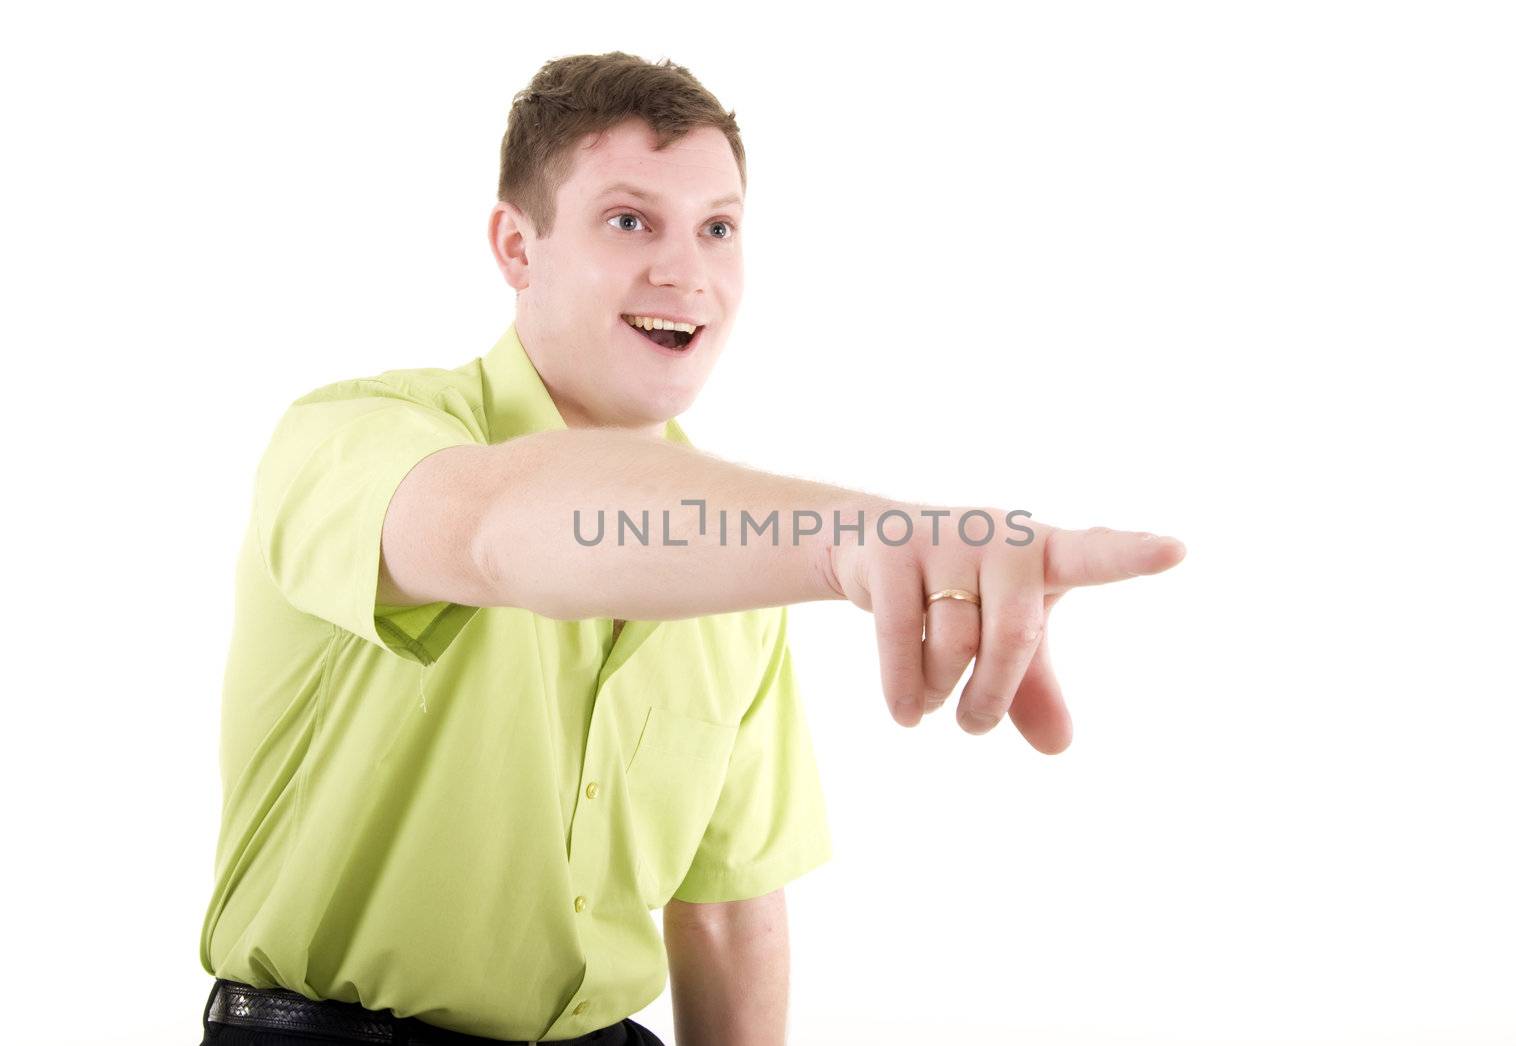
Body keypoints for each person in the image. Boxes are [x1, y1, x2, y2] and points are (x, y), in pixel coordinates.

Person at [197, 51, 1186, 1046]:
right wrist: (854, 532)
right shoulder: (353, 436)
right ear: (516, 245)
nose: (686, 271)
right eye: (629, 222)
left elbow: (725, 905)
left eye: (718, 227)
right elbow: (499, 529)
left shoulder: (743, 559)